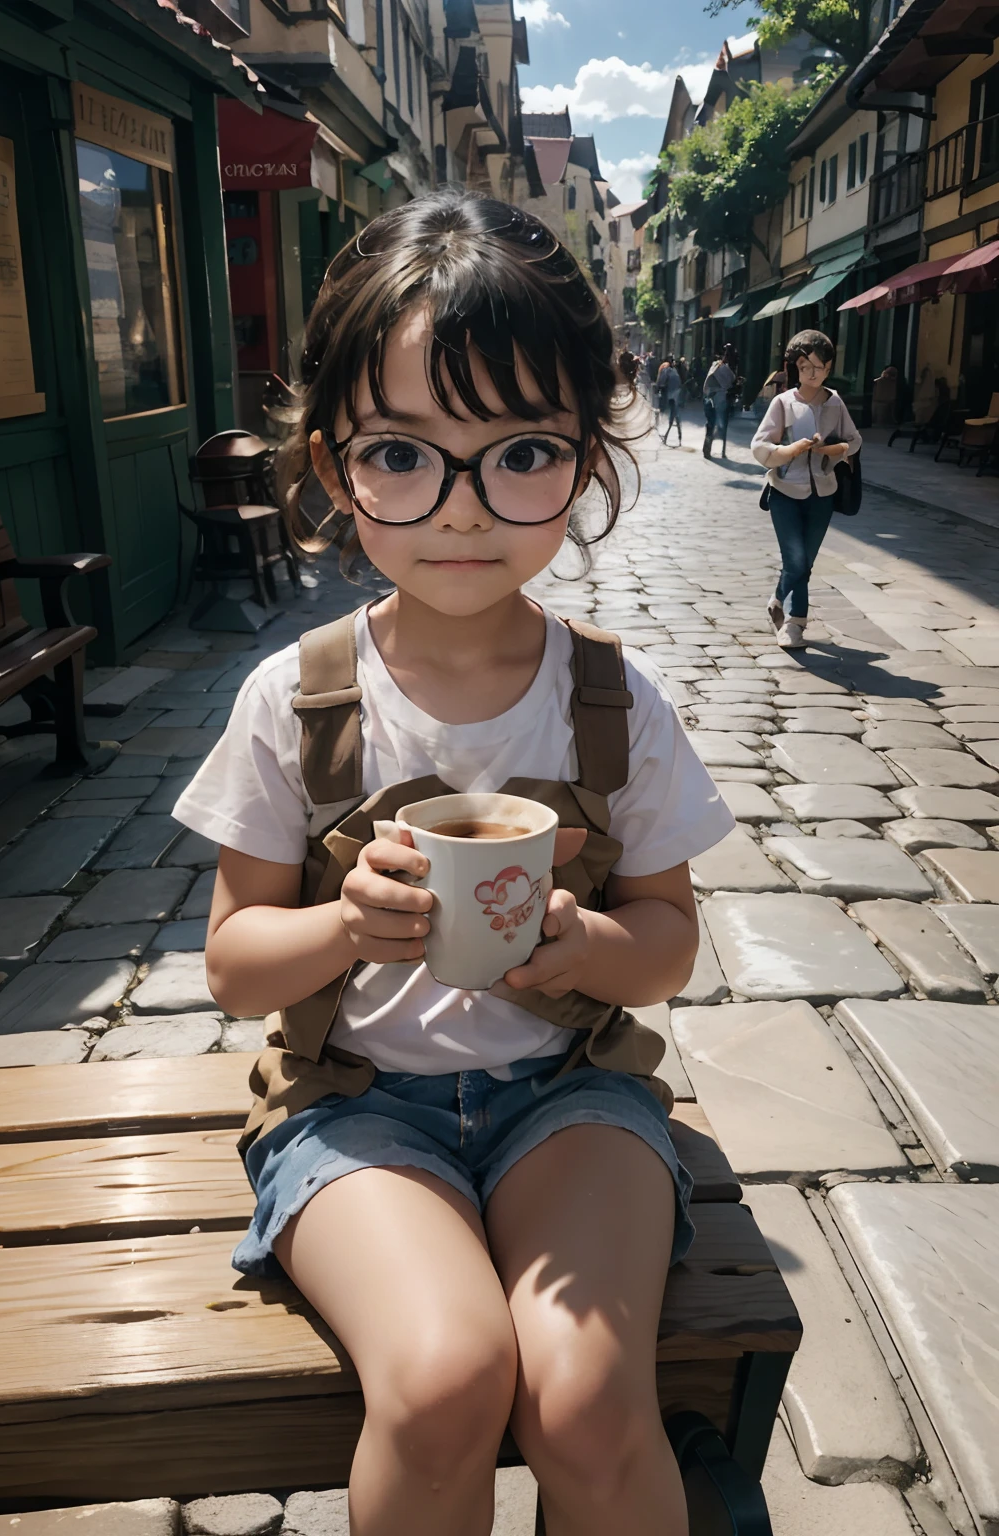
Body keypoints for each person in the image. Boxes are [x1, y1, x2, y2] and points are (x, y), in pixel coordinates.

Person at [173, 188, 734, 1536]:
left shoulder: (614, 701)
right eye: (405, 455)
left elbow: (666, 939)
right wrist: (341, 929)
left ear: (587, 462)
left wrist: (585, 946)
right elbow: (236, 966)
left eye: (521, 451)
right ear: (332, 464)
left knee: (593, 1398)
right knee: (442, 1382)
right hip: (356, 1108)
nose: (464, 508)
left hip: (568, 1094)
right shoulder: (298, 701)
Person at [751, 328, 862, 650]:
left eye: (819, 367)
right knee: (796, 561)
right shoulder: (783, 403)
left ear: (829, 368)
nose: (813, 374)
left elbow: (853, 441)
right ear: (795, 368)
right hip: (785, 491)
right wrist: (788, 451)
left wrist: (834, 449)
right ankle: (794, 623)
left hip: (823, 493)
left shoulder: (835, 402)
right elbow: (760, 446)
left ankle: (777, 600)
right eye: (805, 367)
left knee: (805, 563)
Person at [702, 344, 736, 459]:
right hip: (717, 399)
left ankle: (712, 449)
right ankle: (709, 449)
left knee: (715, 424)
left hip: (713, 398)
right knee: (717, 425)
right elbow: (729, 383)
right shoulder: (720, 367)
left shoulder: (718, 367)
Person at [661, 358, 682, 446]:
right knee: (675, 413)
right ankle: (679, 435)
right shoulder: (675, 371)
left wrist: (660, 387)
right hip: (677, 391)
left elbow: (662, 381)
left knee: (673, 413)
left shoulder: (667, 370)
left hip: (671, 392)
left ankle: (667, 436)